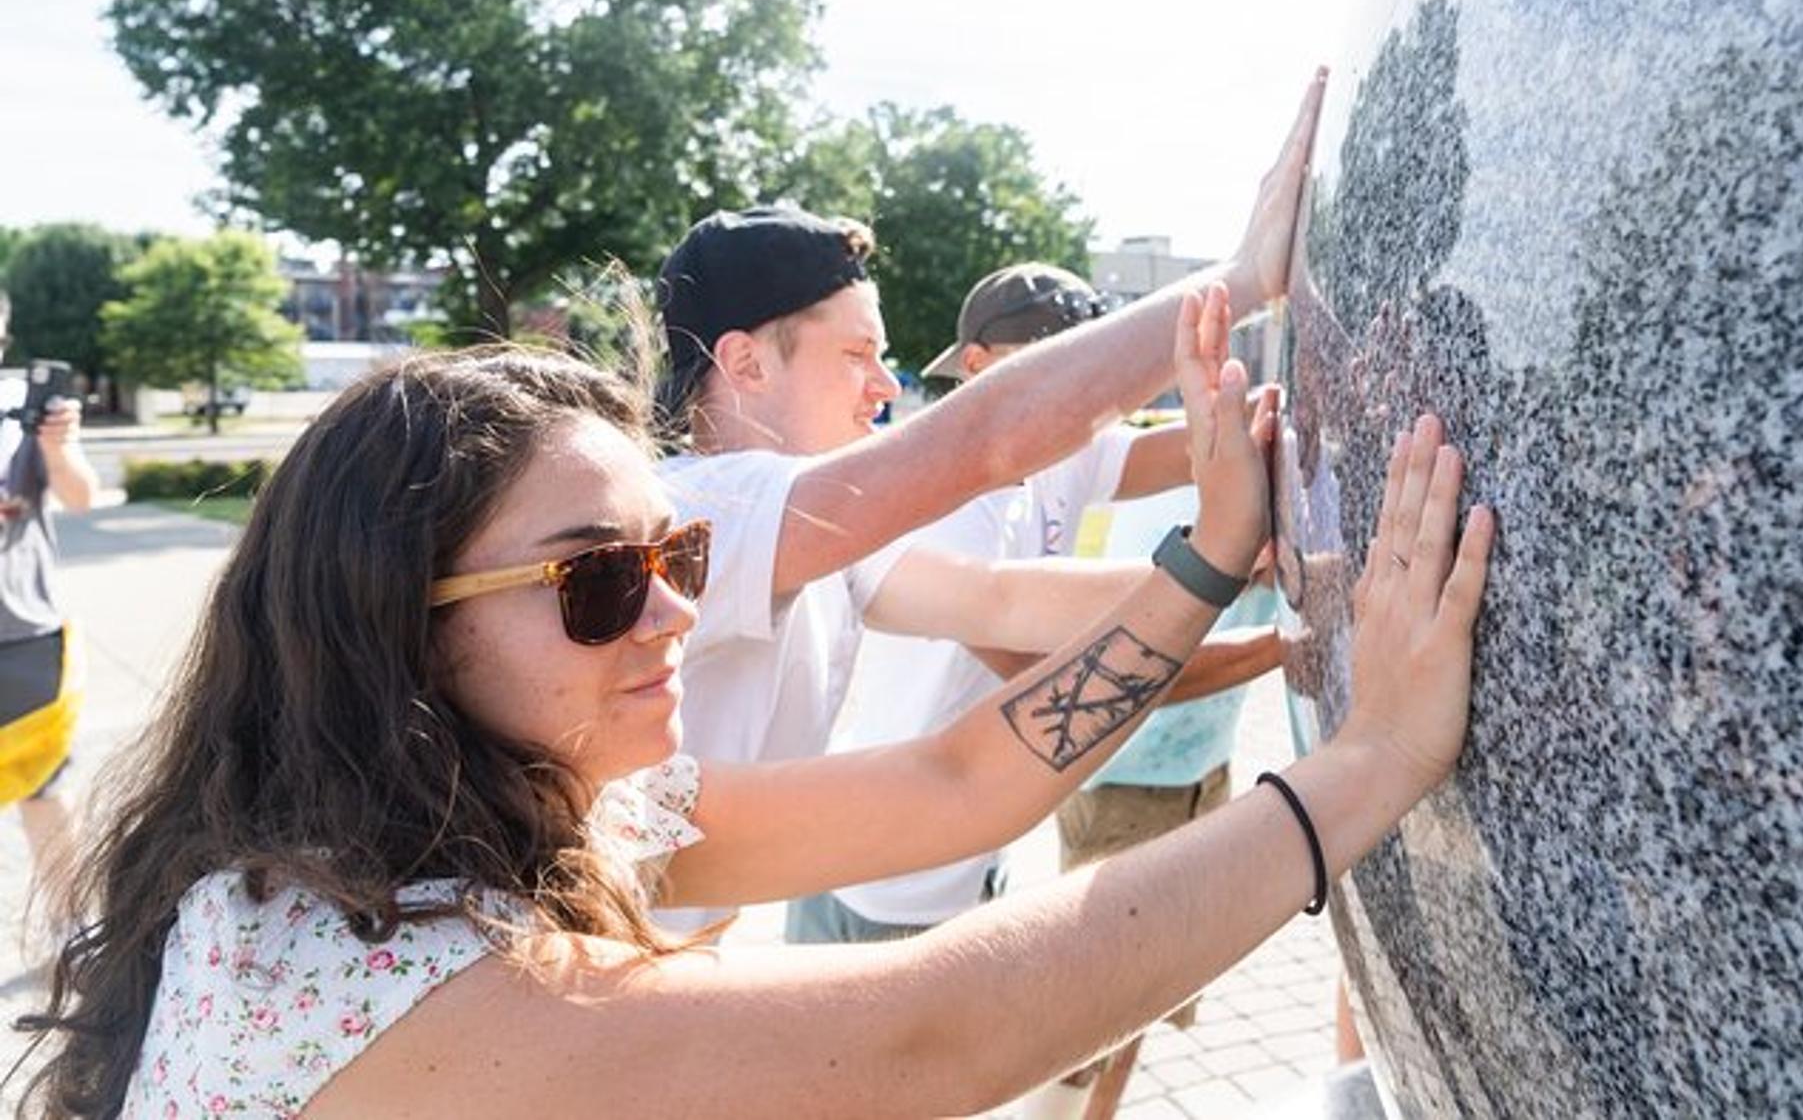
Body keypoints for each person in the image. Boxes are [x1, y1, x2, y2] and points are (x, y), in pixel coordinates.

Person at [17, 289, 1493, 1118]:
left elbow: (949, 788)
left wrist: (1211, 551)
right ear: (393, 637)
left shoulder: (498, 809)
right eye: (598, 579)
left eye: (678, 554)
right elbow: (947, 1032)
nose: (670, 611)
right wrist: (1373, 760)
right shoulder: (406, 975)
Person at [650, 75, 1325, 926]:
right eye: (857, 354)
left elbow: (1004, 599)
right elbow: (990, 440)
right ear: (745, 363)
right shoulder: (689, 509)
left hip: (698, 940)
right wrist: (1242, 276)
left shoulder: (815, 539)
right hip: (617, 978)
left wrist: (1258, 569)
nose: (885, 387)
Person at [784, 264, 1278, 946]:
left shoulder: (1068, 453)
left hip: (966, 857)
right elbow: (1064, 680)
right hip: (882, 878)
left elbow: (1220, 437)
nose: (1076, 398)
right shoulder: (938, 503)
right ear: (977, 365)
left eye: (1092, 374)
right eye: (1051, 371)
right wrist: (1280, 637)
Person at [0, 293, 100, 908]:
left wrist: (59, 450)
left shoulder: (26, 411)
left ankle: (74, 934)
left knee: (45, 788)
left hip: (23, 630)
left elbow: (83, 496)